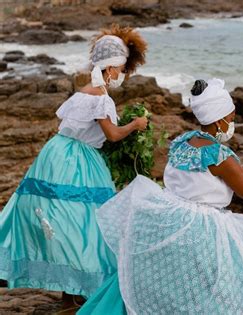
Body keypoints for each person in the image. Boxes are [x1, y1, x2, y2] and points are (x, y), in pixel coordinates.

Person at [79, 78, 243, 314]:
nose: (232, 122)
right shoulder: (219, 154)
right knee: (218, 288)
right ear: (219, 121)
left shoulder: (184, 142)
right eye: (231, 117)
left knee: (164, 283)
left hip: (170, 218)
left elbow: (225, 173)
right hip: (199, 230)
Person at [0, 25, 148, 310]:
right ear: (110, 68)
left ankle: (71, 291)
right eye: (121, 69)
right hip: (78, 161)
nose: (123, 75)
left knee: (64, 221)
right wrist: (136, 125)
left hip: (56, 154)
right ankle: (76, 290)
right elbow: (112, 135)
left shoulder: (84, 91)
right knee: (86, 223)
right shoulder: (101, 98)